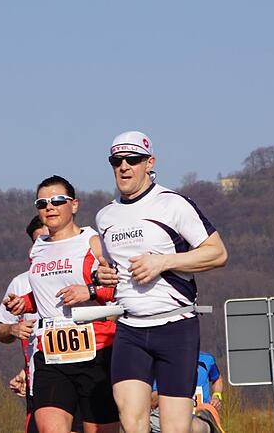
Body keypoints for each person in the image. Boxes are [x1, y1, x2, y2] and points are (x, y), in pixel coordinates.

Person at [94, 131, 228, 433]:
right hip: (130, 329)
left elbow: (217, 253)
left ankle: (204, 427)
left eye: (133, 160)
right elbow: (113, 268)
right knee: (132, 422)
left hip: (176, 326)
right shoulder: (106, 216)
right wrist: (104, 275)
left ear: (149, 162)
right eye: (117, 161)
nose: (124, 166)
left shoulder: (173, 204)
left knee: (174, 428)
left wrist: (163, 262)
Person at [7, 175, 119, 433]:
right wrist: (23, 303)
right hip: (51, 352)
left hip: (96, 349)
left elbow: (119, 287)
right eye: (42, 202)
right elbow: (47, 294)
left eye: (58, 200)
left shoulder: (93, 242)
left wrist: (89, 290)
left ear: (75, 205)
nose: (50, 207)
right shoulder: (38, 247)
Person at [0, 215, 48, 433]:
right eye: (39, 241)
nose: (46, 245)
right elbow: (0, 330)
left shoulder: (80, 273)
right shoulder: (20, 283)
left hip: (83, 374)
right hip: (38, 381)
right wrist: (12, 329)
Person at [150, 351, 225, 433]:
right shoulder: (163, 363)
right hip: (174, 417)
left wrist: (216, 396)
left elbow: (217, 379)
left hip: (202, 414)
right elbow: (153, 401)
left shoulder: (207, 359)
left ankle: (209, 426)